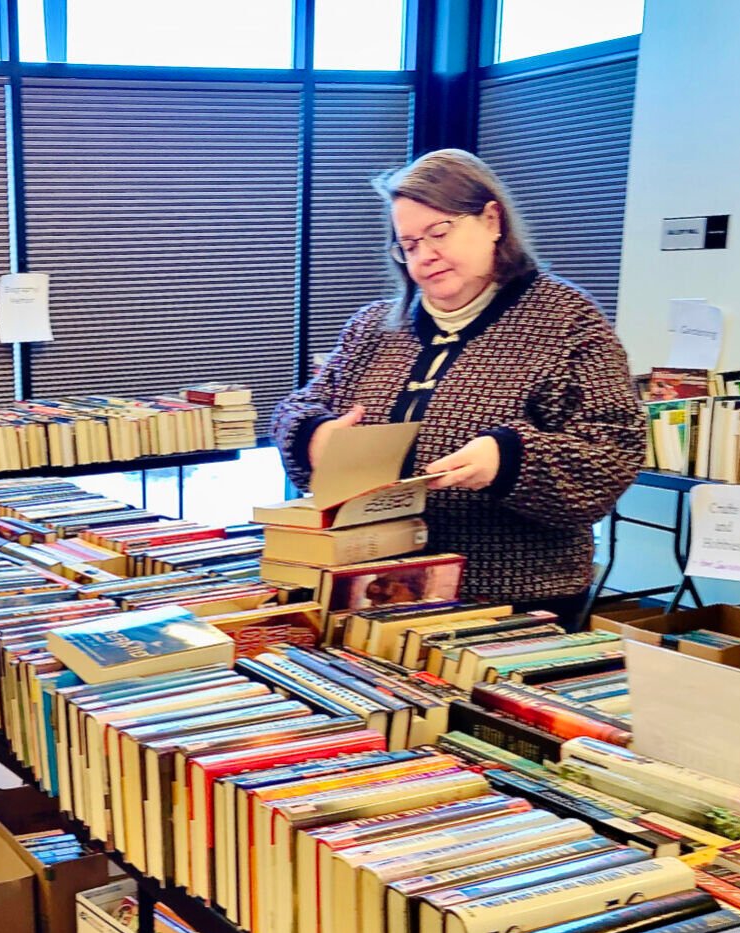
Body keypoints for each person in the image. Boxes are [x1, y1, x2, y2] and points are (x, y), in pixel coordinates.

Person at [272, 149, 646, 626]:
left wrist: (509, 459)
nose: (425, 255)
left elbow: (613, 452)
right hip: (375, 591)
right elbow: (297, 407)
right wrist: (311, 434)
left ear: (492, 220)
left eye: (439, 233)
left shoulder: (567, 321)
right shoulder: (374, 327)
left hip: (510, 601)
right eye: (408, 245)